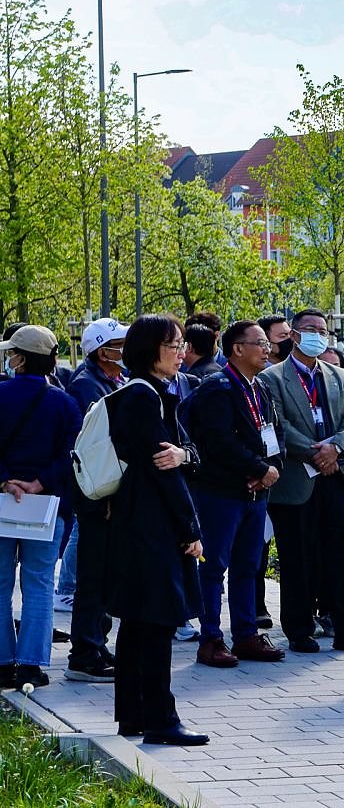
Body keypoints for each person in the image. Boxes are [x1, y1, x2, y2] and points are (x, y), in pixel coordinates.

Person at [106, 314, 207, 746]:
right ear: (150, 350)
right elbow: (164, 470)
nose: (181, 352)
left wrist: (185, 455)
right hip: (151, 523)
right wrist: (190, 529)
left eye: (182, 344)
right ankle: (161, 719)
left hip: (138, 519)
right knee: (157, 621)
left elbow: (186, 454)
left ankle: (133, 716)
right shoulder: (143, 397)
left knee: (138, 621)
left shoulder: (151, 393)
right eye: (173, 345)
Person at [180, 321, 287, 668]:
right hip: (221, 493)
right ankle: (211, 639)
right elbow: (218, 442)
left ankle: (246, 634)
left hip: (256, 494)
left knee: (248, 566)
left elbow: (276, 434)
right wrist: (258, 469)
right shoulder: (218, 388)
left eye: (267, 344)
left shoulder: (261, 387)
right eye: (260, 343)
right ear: (237, 349)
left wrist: (272, 469)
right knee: (214, 567)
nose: (267, 349)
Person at [258, 308, 344, 654]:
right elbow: (278, 425)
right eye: (310, 329)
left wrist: (336, 448)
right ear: (294, 335)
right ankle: (299, 630)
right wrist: (316, 453)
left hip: (337, 477)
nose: (318, 335)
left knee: (343, 555)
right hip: (297, 479)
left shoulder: (337, 375)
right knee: (298, 558)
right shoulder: (271, 378)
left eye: (323, 330)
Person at [0, 325, 81, 690]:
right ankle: (31, 666)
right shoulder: (64, 403)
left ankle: (2, 663)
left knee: (0, 584)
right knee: (39, 584)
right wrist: (39, 483)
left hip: (3, 501)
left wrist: (7, 480)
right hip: (47, 506)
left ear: (18, 359)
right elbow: (72, 455)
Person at [63, 318, 130, 683]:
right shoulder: (87, 386)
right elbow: (92, 448)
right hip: (96, 497)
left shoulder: (111, 380)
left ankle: (96, 643)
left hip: (107, 495)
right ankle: (85, 653)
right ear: (104, 352)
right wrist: (100, 495)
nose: (127, 350)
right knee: (92, 578)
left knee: (103, 576)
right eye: (121, 344)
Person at [254, 314, 293, 629]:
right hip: (259, 477)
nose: (289, 340)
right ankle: (255, 605)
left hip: (288, 475)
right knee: (257, 548)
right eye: (281, 337)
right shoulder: (264, 379)